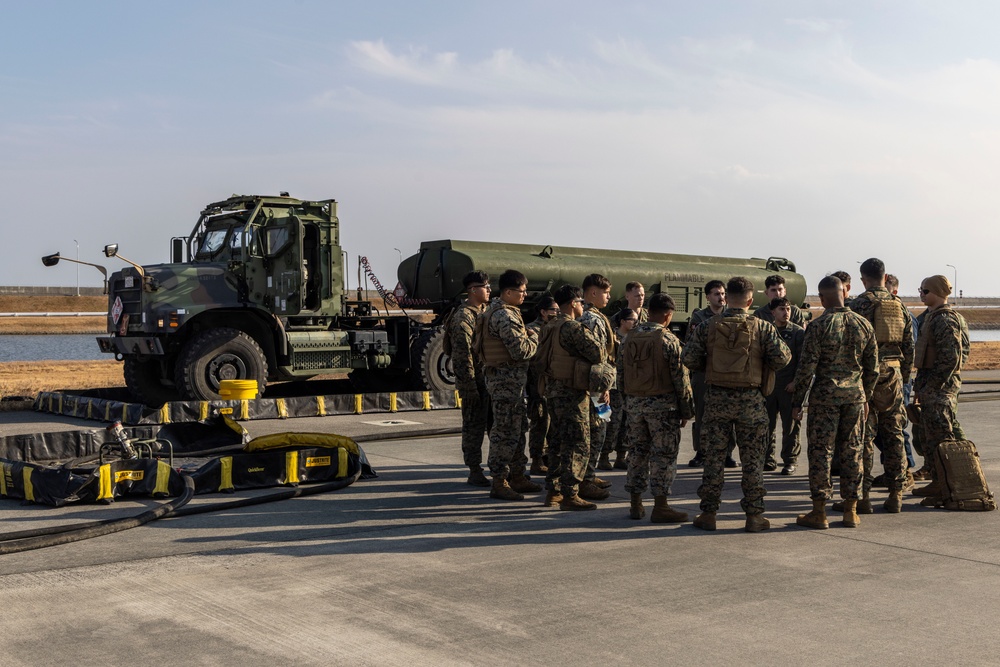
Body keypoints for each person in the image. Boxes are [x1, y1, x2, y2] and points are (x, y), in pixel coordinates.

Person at [682, 276, 791, 533]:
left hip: (716, 401)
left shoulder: (708, 325)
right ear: (751, 301)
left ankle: (708, 514)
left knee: (714, 460)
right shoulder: (762, 328)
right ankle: (754, 517)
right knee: (753, 462)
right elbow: (783, 358)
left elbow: (688, 358)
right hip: (751, 402)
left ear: (727, 297)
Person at [792, 276, 878, 529]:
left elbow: (806, 368)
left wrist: (798, 401)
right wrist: (867, 397)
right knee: (853, 451)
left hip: (824, 400)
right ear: (844, 292)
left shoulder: (819, 327)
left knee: (821, 452)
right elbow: (872, 368)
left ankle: (819, 511)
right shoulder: (863, 325)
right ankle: (851, 510)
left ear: (822, 298)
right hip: (854, 397)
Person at [620, 293, 694, 522]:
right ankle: (661, 506)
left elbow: (620, 374)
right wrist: (687, 410)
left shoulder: (629, 338)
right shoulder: (668, 339)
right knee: (663, 456)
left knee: (636, 453)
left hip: (634, 406)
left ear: (648, 311)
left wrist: (627, 402)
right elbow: (680, 379)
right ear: (668, 315)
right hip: (662, 408)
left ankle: (635, 504)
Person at [848, 258, 914, 514]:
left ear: (864, 279)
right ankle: (895, 494)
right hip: (894, 376)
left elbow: (851, 345)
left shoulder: (858, 305)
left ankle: (863, 497)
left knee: (864, 437)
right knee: (895, 434)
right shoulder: (899, 305)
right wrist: (904, 378)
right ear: (885, 278)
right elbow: (909, 347)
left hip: (866, 377)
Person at [538, 284, 607, 510]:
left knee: (557, 441)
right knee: (578, 443)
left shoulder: (550, 325)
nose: (582, 307)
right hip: (572, 393)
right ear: (572, 304)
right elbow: (598, 352)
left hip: (554, 390)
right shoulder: (572, 328)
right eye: (581, 303)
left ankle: (554, 492)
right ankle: (571, 494)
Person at [479, 269, 539, 501]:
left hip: (510, 384)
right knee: (505, 432)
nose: (524, 296)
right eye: (521, 292)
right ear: (508, 292)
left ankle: (517, 475)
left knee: (517, 429)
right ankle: (499, 480)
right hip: (506, 383)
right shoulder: (504, 315)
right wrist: (533, 337)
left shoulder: (500, 311)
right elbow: (521, 350)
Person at [911, 275, 970, 503]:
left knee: (941, 440)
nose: (921, 294)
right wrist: (921, 387)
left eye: (925, 291)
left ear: (936, 292)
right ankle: (937, 482)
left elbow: (951, 358)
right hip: (930, 389)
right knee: (929, 439)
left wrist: (933, 387)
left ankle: (948, 487)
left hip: (939, 392)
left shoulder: (945, 319)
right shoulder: (932, 317)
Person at [446, 271, 492, 487]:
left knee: (496, 425)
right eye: (485, 286)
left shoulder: (486, 312)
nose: (489, 290)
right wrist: (469, 387)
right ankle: (475, 470)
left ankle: (503, 469)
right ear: (473, 290)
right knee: (474, 428)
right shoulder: (463, 317)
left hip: (491, 380)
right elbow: (462, 357)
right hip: (474, 382)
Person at [686, 280, 737, 468]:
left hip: (726, 373)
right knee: (701, 414)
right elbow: (695, 345)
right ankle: (701, 451)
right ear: (708, 297)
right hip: (704, 372)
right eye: (716, 294)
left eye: (723, 293)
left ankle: (727, 452)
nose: (721, 297)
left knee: (728, 414)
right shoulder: (699, 317)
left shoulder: (731, 315)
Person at [578, 273, 616, 501]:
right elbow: (597, 356)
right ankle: (587, 478)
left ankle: (588, 475)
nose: (609, 297)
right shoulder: (593, 319)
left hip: (591, 385)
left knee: (594, 431)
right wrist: (603, 389)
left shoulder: (585, 315)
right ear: (593, 293)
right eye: (605, 292)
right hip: (596, 387)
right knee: (597, 430)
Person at [764, 297, 805, 475]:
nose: (786, 312)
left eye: (788, 309)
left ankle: (790, 460)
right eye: (781, 309)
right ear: (773, 312)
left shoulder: (797, 333)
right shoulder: (766, 331)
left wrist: (796, 382)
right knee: (766, 424)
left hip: (789, 385)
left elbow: (803, 361)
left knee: (791, 426)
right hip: (770, 385)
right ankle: (767, 459)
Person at [526, 295, 559, 476]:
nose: (556, 313)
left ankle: (547, 457)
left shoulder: (553, 328)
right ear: (543, 312)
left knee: (552, 423)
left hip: (551, 384)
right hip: (537, 385)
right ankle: (537, 459)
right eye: (553, 310)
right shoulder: (532, 329)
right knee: (540, 422)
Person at [603, 308, 638, 471]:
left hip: (630, 386)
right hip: (614, 387)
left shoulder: (635, 338)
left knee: (627, 422)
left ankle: (621, 456)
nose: (636, 323)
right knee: (612, 421)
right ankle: (604, 456)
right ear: (623, 321)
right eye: (633, 320)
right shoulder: (612, 338)